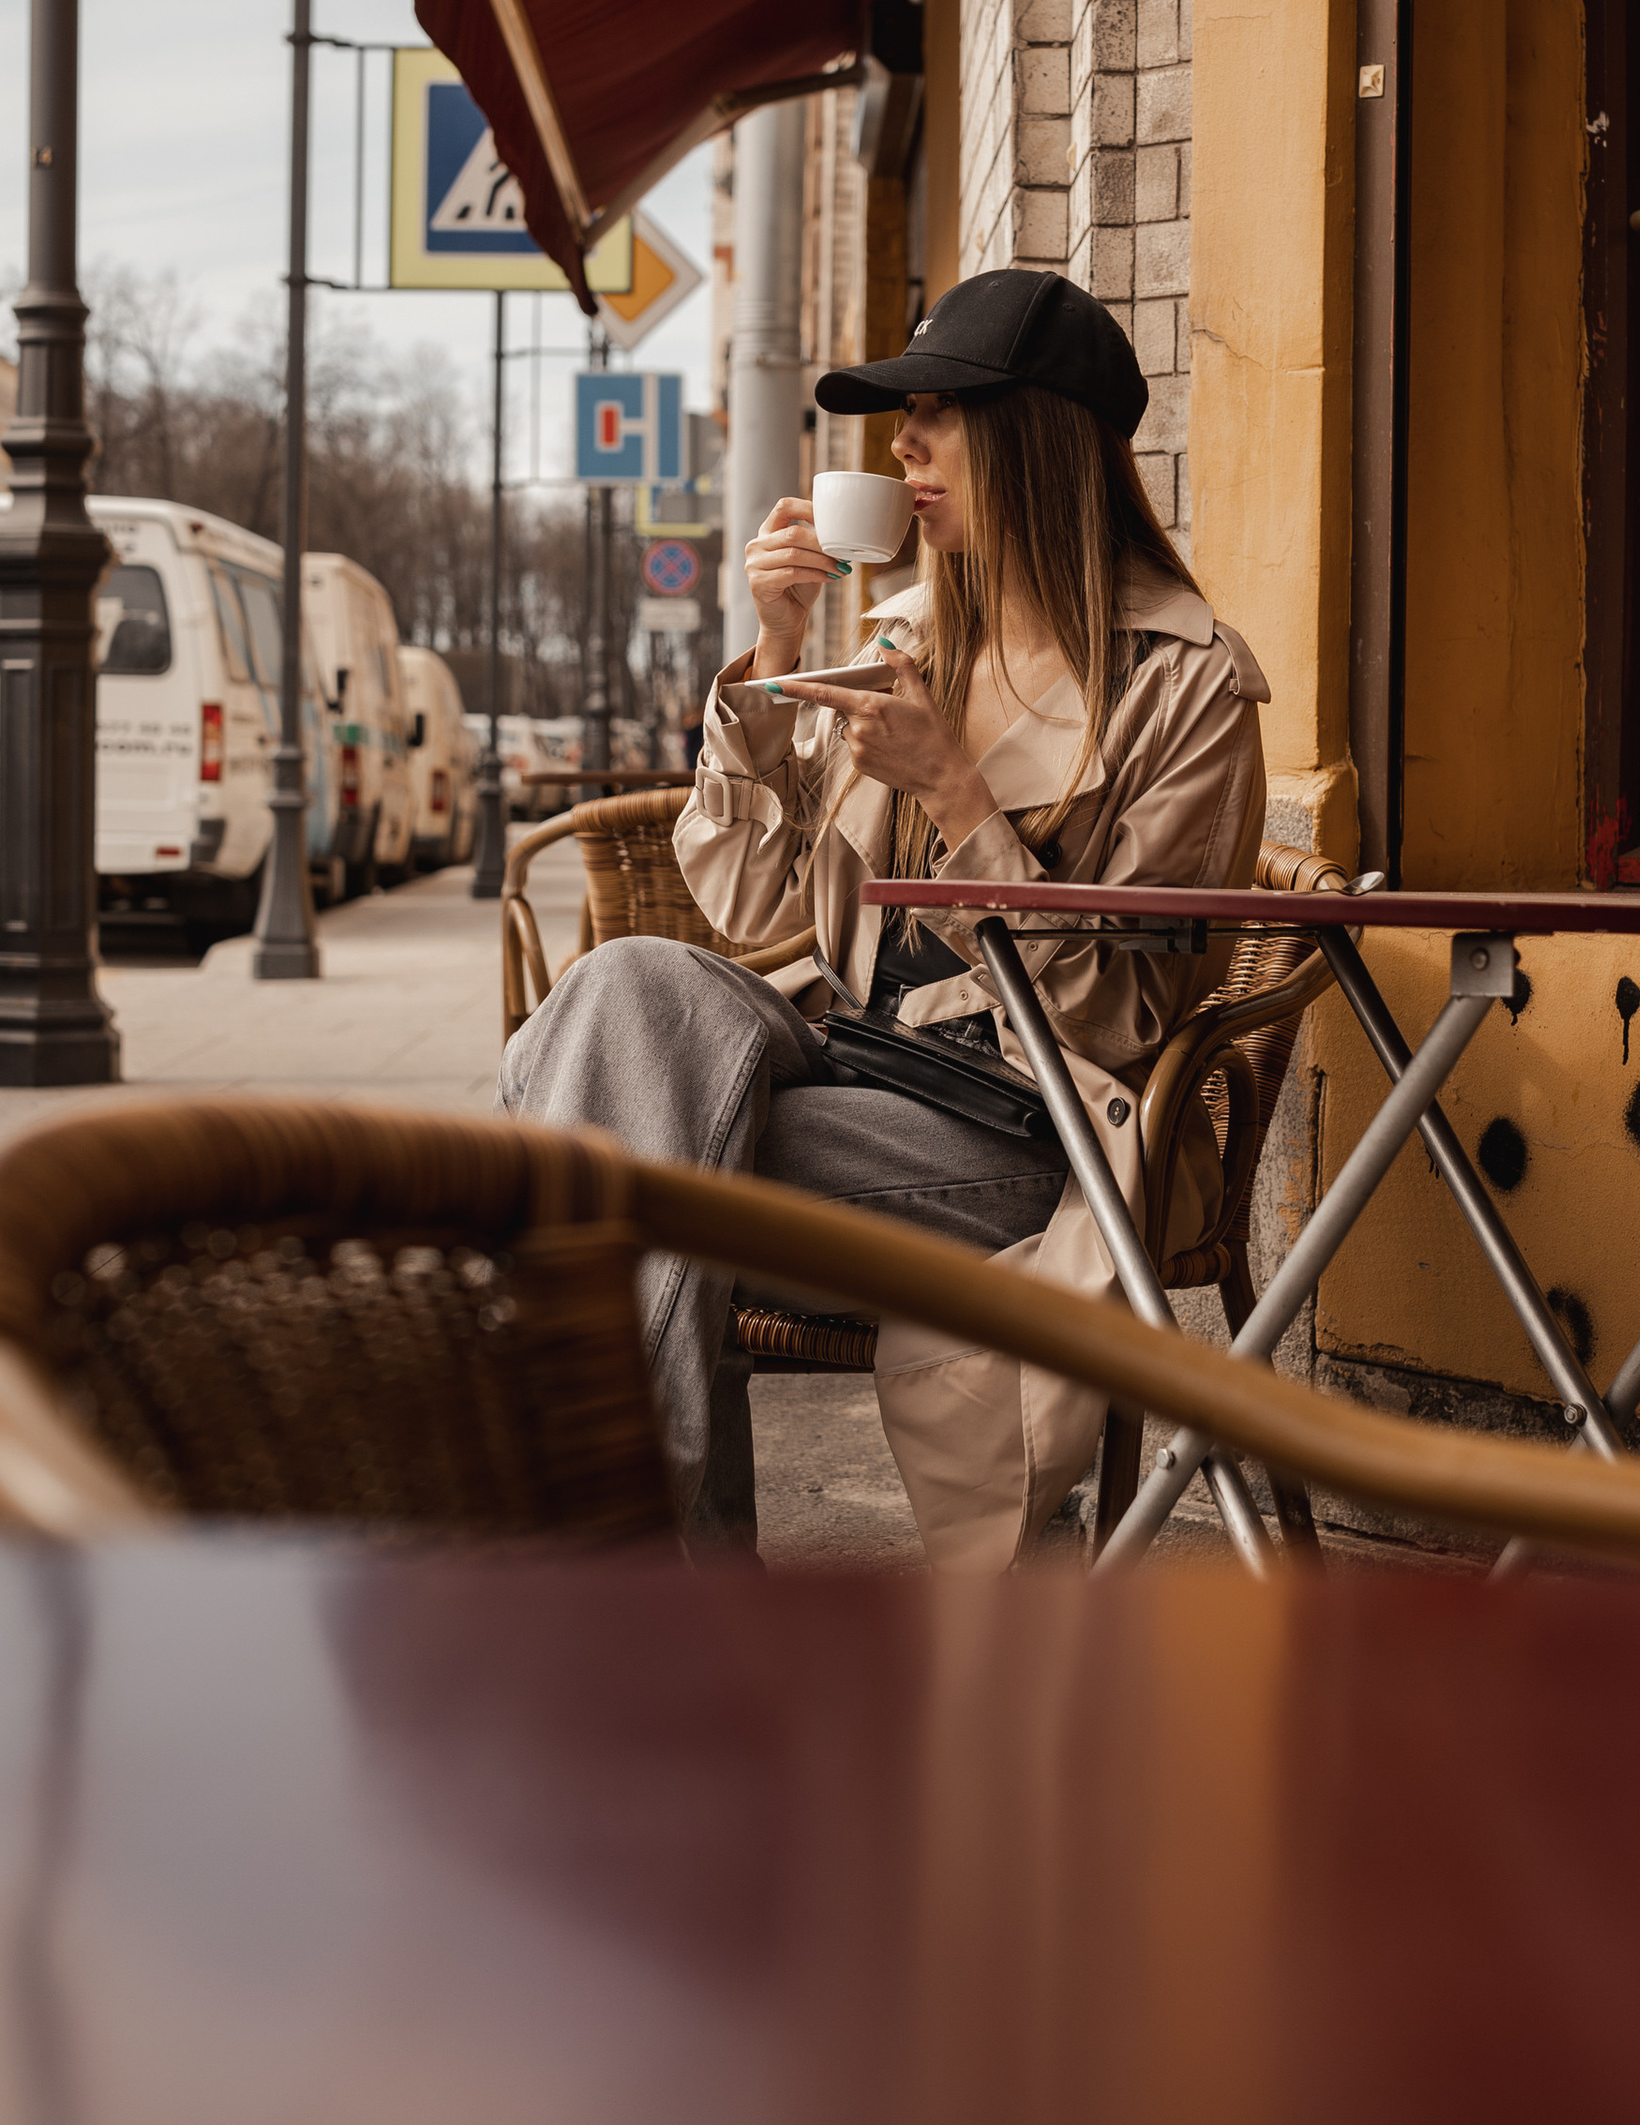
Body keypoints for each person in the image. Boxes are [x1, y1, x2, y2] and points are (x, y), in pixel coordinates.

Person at [496, 266, 1269, 1568]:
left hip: (1041, 1138)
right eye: (896, 415)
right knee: (628, 995)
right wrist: (767, 646)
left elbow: (1125, 1016)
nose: (902, 442)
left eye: (937, 413)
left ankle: (617, 1561)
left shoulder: (1184, 688)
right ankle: (632, 1555)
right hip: (851, 1070)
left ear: (1037, 437)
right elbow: (745, 908)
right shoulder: (904, 643)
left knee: (602, 1149)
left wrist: (965, 806)